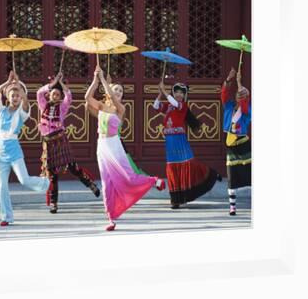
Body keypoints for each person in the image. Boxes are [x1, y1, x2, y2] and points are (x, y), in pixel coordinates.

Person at [85, 65, 165, 231]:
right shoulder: (100, 106)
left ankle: (153, 180)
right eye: (116, 90)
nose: (118, 93)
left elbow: (113, 99)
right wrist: (95, 79)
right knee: (107, 184)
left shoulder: (120, 109)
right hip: (102, 147)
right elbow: (87, 97)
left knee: (128, 177)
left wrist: (104, 82)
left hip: (114, 146)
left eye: (120, 91)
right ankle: (111, 218)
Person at [0, 71, 50, 226]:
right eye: (12, 95)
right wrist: (8, 82)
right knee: (2, 186)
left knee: (24, 180)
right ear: (7, 96)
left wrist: (17, 84)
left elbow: (25, 101)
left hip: (14, 151)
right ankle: (6, 217)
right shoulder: (1, 110)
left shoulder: (22, 112)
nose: (15, 97)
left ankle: (45, 184)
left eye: (18, 95)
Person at [37, 72, 100, 213]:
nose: (55, 95)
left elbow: (69, 96)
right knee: (52, 174)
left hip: (60, 140)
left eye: (58, 94)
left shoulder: (62, 108)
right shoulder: (43, 105)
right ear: (49, 95)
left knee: (73, 168)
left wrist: (62, 84)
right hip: (48, 143)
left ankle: (90, 184)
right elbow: (40, 92)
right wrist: (54, 83)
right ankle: (54, 203)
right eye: (53, 93)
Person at [154, 79, 220, 209]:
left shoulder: (182, 106)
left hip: (179, 140)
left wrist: (165, 92)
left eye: (181, 93)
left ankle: (211, 174)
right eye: (176, 92)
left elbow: (174, 102)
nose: (179, 95)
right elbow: (155, 106)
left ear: (184, 96)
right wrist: (160, 94)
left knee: (188, 164)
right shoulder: (169, 106)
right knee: (172, 168)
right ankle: (176, 200)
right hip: (170, 142)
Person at [221, 67, 252, 215]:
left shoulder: (247, 111)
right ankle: (232, 206)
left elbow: (244, 106)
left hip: (243, 144)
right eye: (239, 94)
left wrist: (240, 83)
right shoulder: (229, 107)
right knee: (231, 175)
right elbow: (224, 94)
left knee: (250, 174)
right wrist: (230, 79)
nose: (240, 95)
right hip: (231, 145)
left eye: (243, 94)